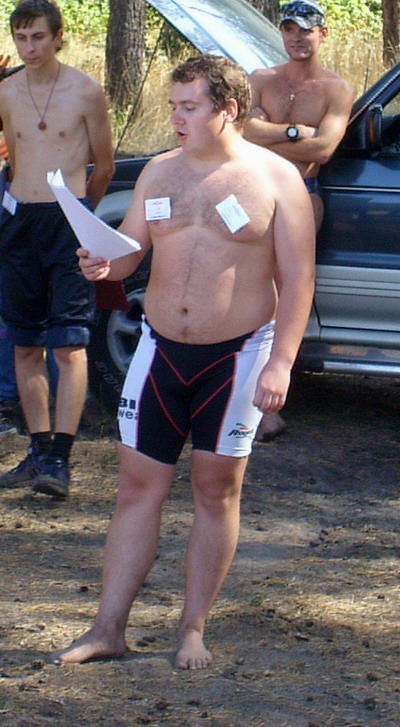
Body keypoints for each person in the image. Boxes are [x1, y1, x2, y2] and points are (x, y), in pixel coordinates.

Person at [51, 54, 315, 669]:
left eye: (189, 107)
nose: (176, 117)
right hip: (160, 347)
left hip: (238, 354)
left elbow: (299, 280)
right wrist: (102, 264)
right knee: (136, 488)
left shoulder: (277, 179)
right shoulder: (159, 172)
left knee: (215, 490)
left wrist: (281, 363)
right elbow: (129, 254)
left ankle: (192, 629)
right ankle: (107, 629)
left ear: (228, 110)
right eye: (173, 106)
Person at [0, 0, 114, 497]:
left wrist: (82, 217)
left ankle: (61, 459)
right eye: (21, 38)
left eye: (39, 37)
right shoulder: (6, 91)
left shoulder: (86, 90)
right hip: (19, 222)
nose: (30, 47)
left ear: (58, 37)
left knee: (68, 343)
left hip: (69, 221)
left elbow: (104, 165)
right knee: (25, 341)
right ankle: (38, 449)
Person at [243, 0, 354, 443]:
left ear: (322, 34)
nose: (296, 37)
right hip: (254, 191)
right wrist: (295, 131)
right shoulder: (261, 79)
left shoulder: (336, 89)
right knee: (247, 287)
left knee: (287, 290)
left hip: (303, 193)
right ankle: (242, 395)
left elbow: (323, 150)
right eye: (289, 29)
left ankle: (270, 403)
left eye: (306, 30)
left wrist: (268, 134)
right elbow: (241, 131)